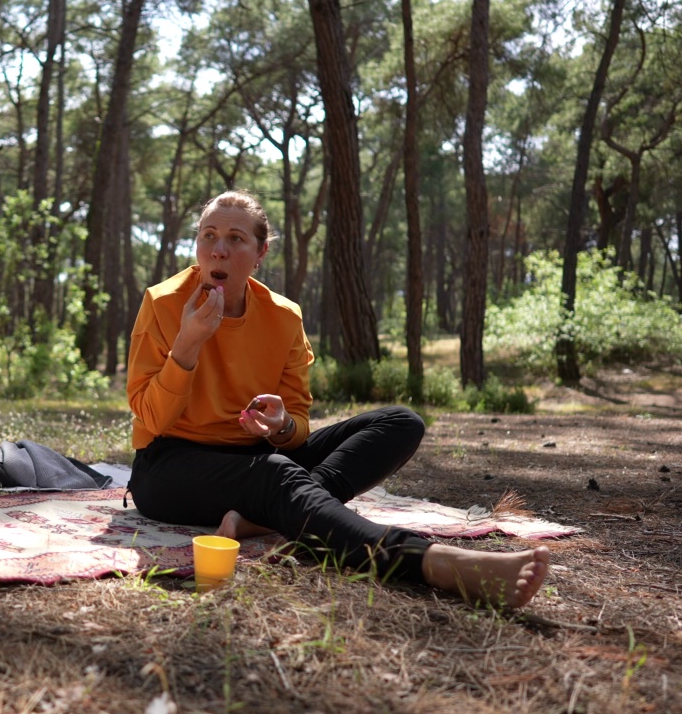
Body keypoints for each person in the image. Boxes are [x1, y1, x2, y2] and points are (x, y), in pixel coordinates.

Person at [125, 190, 549, 609]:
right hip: (169, 467)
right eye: (208, 236)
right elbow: (151, 420)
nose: (218, 250)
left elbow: (297, 428)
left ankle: (260, 519)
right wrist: (187, 346)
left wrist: (282, 426)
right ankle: (428, 561)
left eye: (236, 238)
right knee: (272, 474)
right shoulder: (163, 303)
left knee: (401, 423)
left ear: (261, 252)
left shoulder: (283, 316)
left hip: (255, 455)